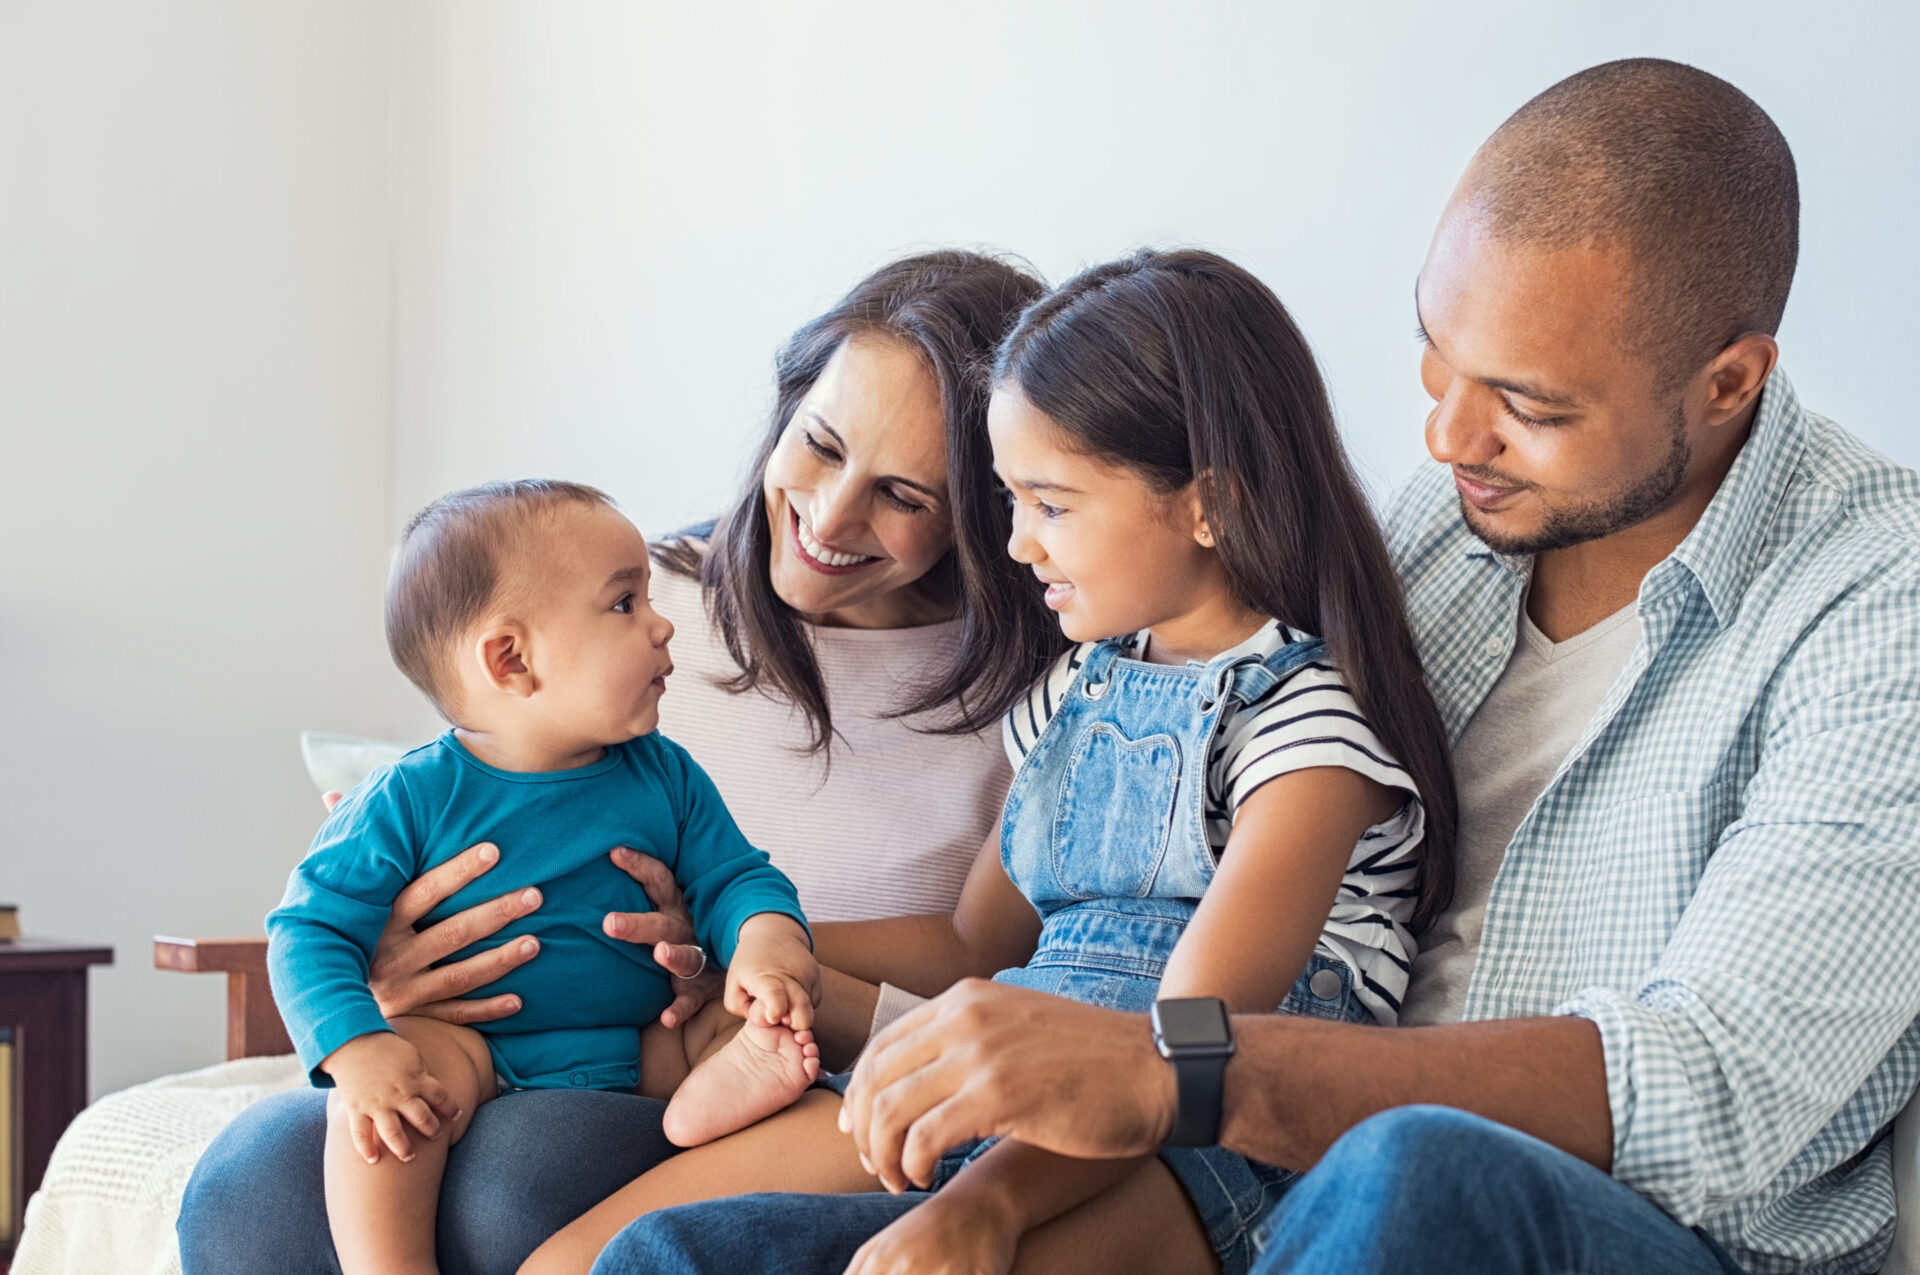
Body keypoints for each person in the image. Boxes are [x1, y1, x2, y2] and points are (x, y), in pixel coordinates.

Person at [602, 59, 1920, 1275]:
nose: (1447, 433)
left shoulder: (1876, 600)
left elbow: (1717, 1091)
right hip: (1268, 1167)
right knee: (674, 1258)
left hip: (1589, 1219)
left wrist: (1179, 1069)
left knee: (1413, 1169)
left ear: (1731, 381)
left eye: (1531, 403)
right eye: (1435, 352)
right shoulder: (1439, 532)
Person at [515, 247, 1461, 1275]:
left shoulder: (1304, 736)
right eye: (1010, 502)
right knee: (590, 1261)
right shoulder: (1074, 695)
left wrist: (985, 1208)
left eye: (1050, 506)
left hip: (1188, 1148)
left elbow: (1189, 1053)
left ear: (1208, 506)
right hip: (1003, 1081)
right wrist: (744, 933)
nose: (1013, 546)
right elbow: (974, 940)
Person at [176, 251, 1062, 1275]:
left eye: (903, 494)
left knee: (515, 1179)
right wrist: (381, 976)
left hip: (722, 1049)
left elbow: (994, 961)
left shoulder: (1041, 699)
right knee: (251, 1180)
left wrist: (745, 949)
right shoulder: (617, 605)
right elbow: (365, 879)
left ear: (990, 509)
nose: (828, 517)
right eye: (817, 446)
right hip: (484, 1031)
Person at [267, 480, 828, 1273]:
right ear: (512, 658)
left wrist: (767, 948)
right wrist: (358, 1053)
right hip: (476, 1046)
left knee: (746, 1029)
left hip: (645, 1041)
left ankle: (710, 1100)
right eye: (625, 603)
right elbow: (307, 929)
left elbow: (736, 877)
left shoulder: (664, 775)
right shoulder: (412, 794)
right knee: (392, 1106)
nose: (663, 623)